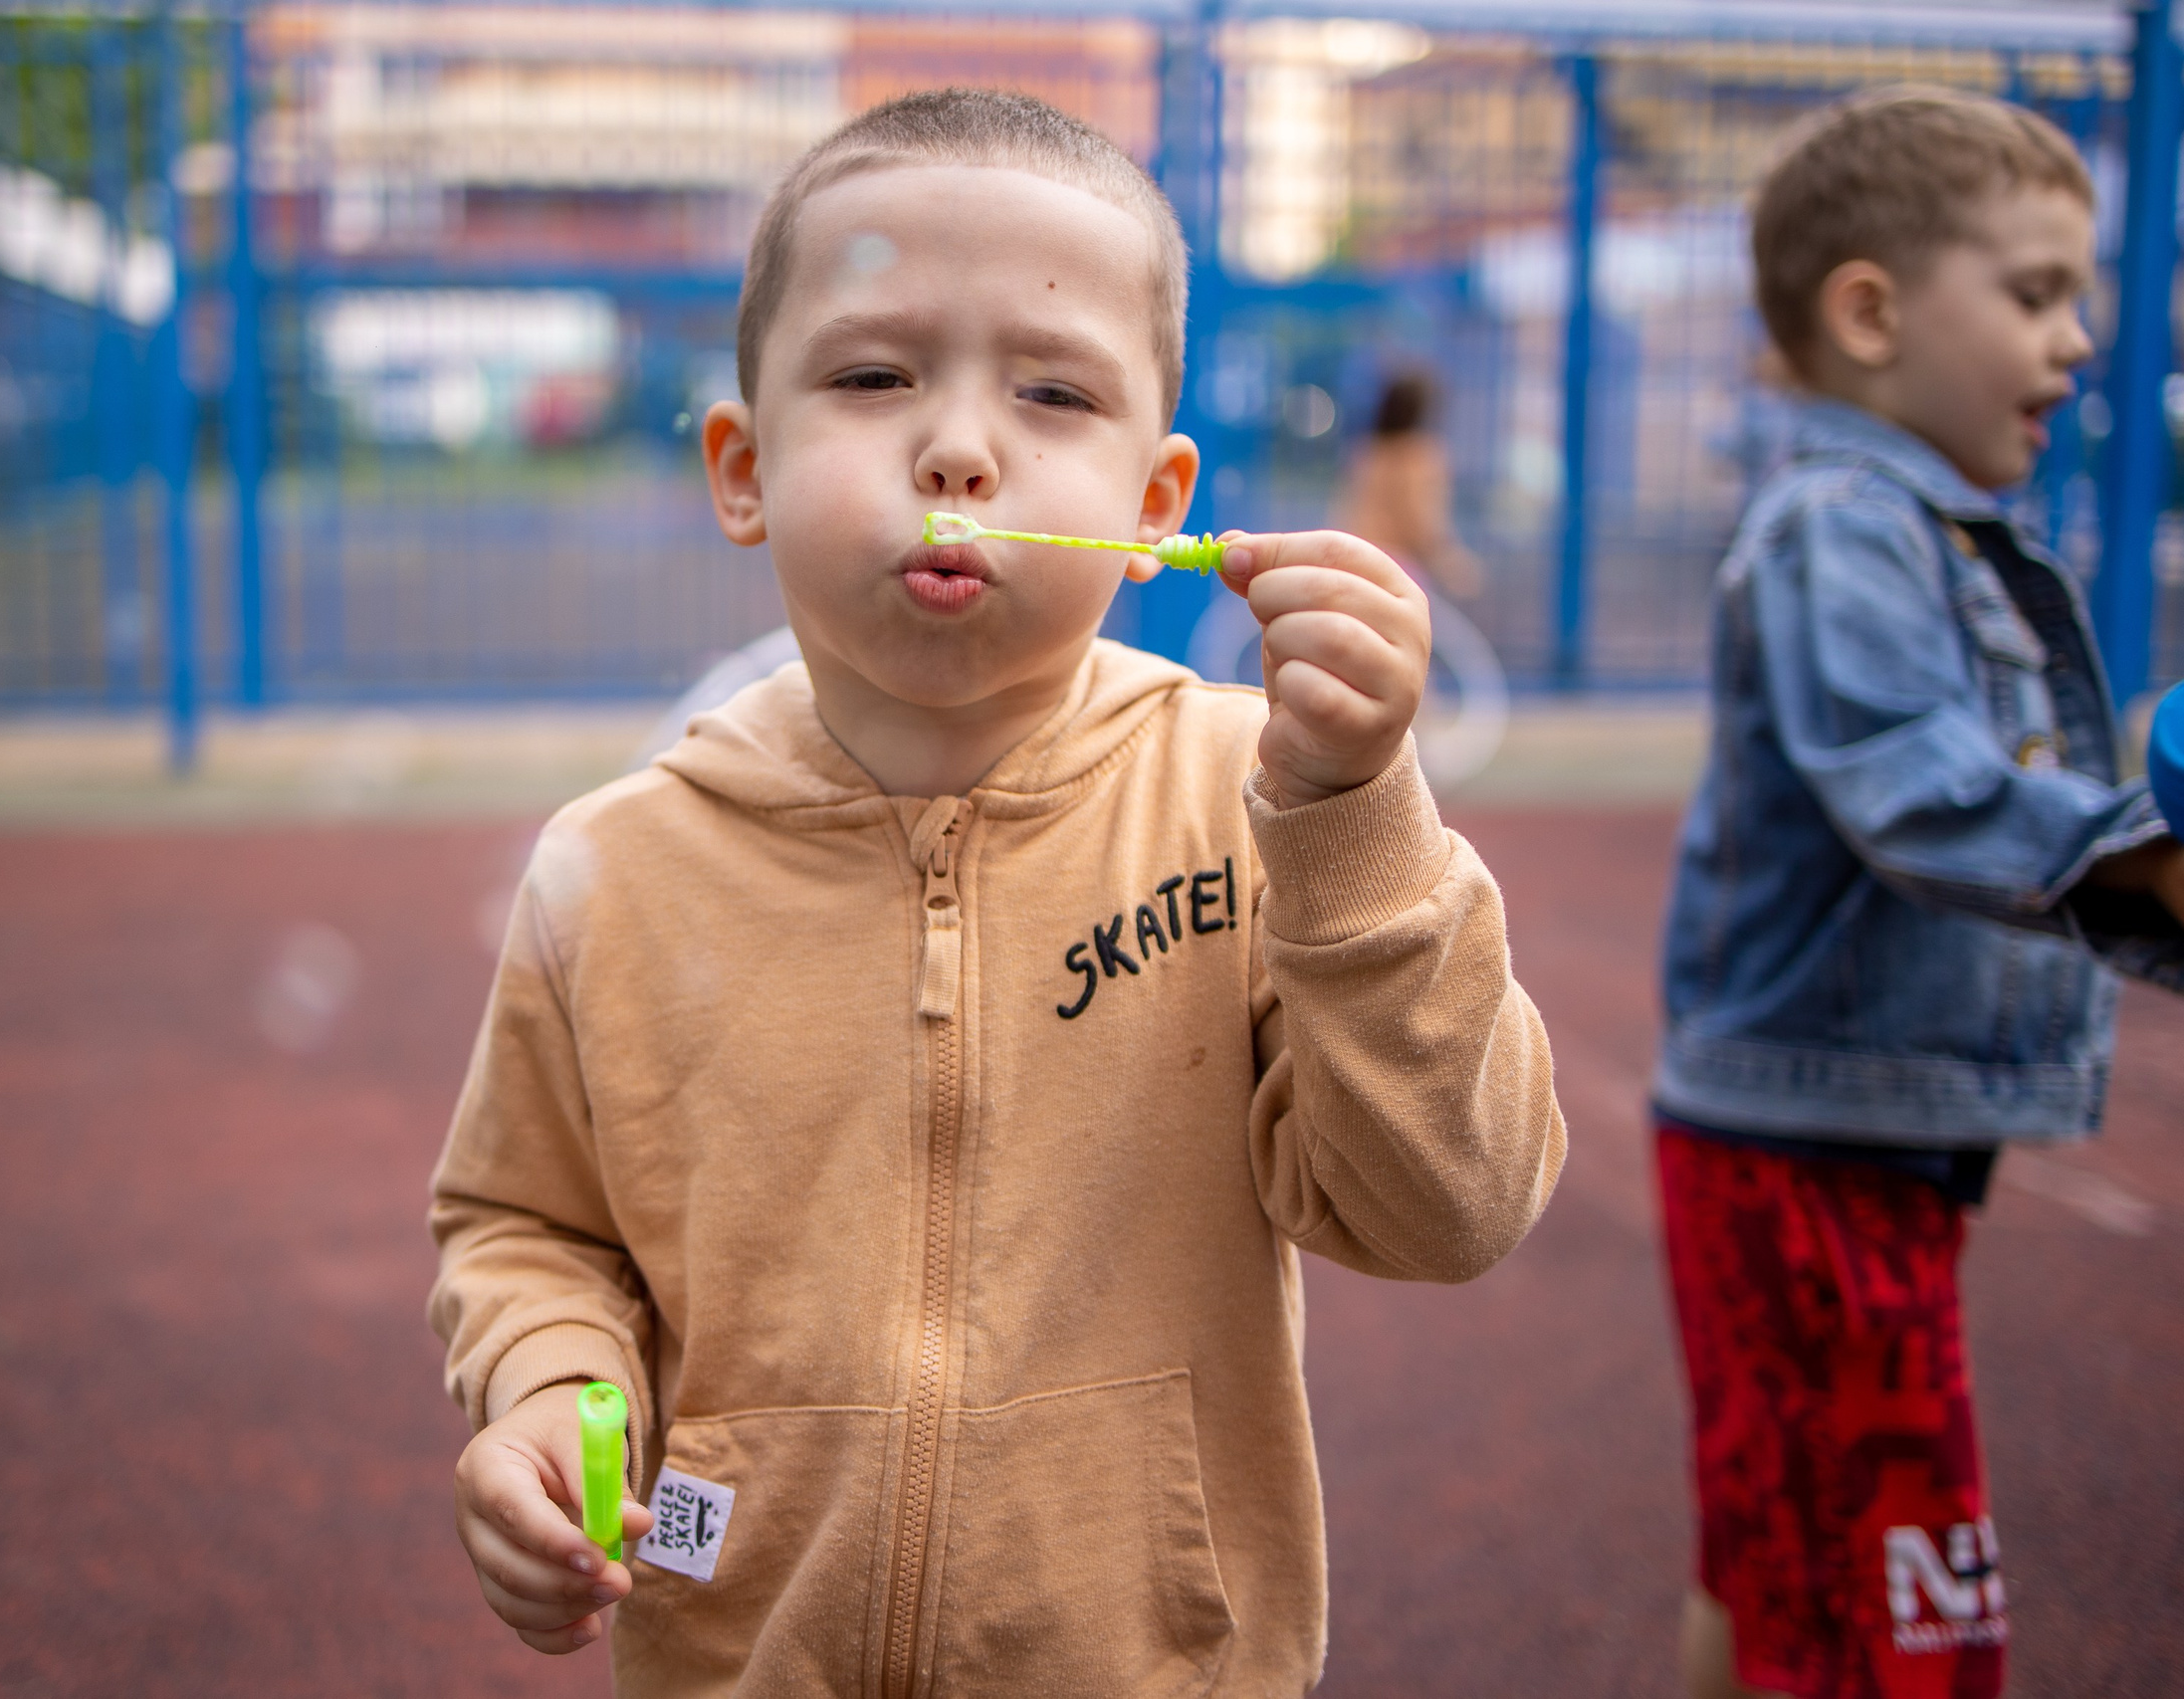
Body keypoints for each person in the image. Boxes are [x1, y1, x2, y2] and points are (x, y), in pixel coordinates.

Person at [428, 88, 1567, 1694]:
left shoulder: (1262, 813)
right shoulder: (615, 869)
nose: (960, 444)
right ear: (743, 469)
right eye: (876, 374)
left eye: (1051, 390)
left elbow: (1455, 1211)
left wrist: (1358, 821)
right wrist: (546, 1386)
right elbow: (526, 1220)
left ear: (1156, 509)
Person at [1653, 87, 2184, 1699]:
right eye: (2034, 295)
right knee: (1903, 1619)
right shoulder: (1845, 527)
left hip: (1838, 1135)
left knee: (1779, 1556)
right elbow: (1918, 787)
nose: (2079, 338)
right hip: (1806, 1149)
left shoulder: (1916, 531)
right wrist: (2146, 862)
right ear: (1871, 312)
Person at [1333, 369, 1484, 603]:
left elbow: (1347, 511)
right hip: (1396, 568)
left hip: (1356, 561)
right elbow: (1420, 521)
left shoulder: (1367, 451)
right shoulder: (1421, 456)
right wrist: (1453, 564)